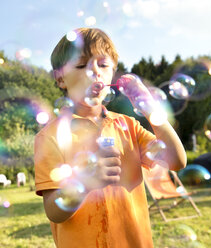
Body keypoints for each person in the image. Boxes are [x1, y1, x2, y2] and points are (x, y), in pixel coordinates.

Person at [34, 28, 187, 247]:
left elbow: (177, 161)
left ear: (112, 73)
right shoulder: (50, 137)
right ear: (60, 79)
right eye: (80, 65)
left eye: (103, 65)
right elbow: (53, 211)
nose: (95, 71)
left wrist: (151, 110)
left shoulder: (128, 126)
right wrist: (83, 182)